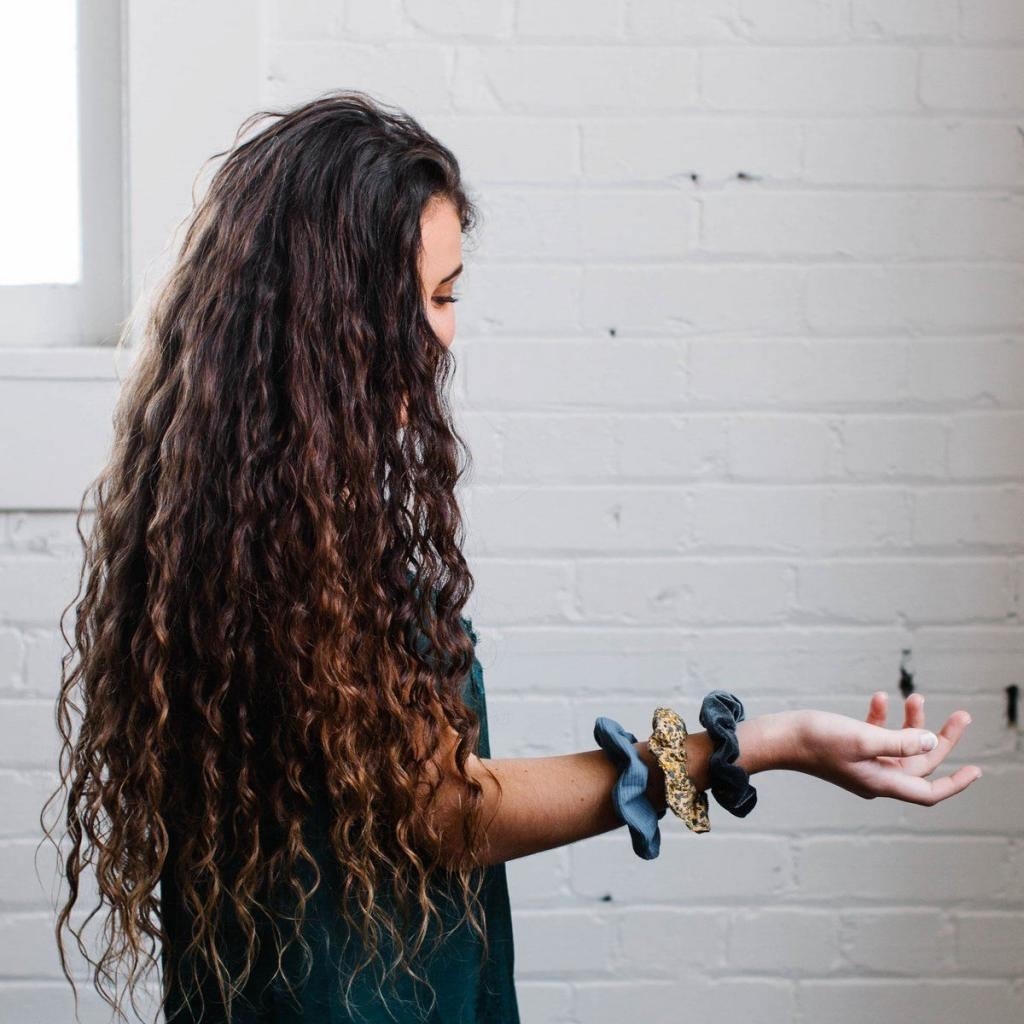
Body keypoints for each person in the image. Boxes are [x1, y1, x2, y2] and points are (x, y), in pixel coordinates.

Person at [40, 89, 981, 1024]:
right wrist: (770, 744)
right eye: (408, 300)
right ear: (316, 322)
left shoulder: (243, 514)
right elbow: (452, 813)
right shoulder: (290, 549)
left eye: (446, 296)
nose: (433, 335)